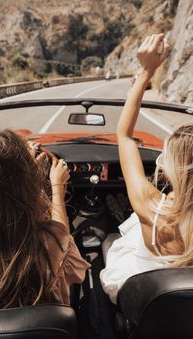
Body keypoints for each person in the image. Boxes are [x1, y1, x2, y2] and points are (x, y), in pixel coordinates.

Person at [100, 33, 193, 304]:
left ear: (171, 166)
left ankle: (117, 211)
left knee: (117, 238)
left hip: (144, 298)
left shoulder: (151, 206)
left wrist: (145, 71)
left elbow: (124, 136)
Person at [0, 128, 90, 309]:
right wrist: (57, 186)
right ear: (26, 186)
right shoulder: (43, 243)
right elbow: (61, 232)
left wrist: (27, 173)